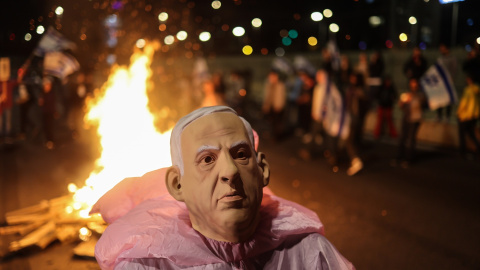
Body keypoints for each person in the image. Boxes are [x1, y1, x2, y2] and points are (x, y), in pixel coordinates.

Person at [94, 106, 355, 269]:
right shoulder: (147, 265)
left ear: (262, 170)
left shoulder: (310, 252)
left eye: (240, 154)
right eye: (207, 160)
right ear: (178, 185)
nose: (230, 172)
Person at [395, 78, 426, 167]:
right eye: (412, 83)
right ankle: (399, 157)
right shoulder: (407, 94)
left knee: (411, 139)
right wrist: (402, 103)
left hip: (415, 119)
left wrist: (414, 99)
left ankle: (409, 159)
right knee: (402, 137)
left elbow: (423, 104)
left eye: (414, 83)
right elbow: (402, 106)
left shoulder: (420, 95)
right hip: (406, 117)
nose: (413, 85)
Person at [456, 74, 480, 159]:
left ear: (469, 80)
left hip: (465, 115)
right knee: (471, 133)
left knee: (462, 134)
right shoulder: (477, 89)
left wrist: (458, 112)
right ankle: (478, 149)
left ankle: (462, 152)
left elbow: (464, 103)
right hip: (474, 115)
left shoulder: (468, 90)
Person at [262, 69, 286, 140]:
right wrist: (265, 106)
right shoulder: (268, 85)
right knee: (271, 122)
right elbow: (266, 96)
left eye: (272, 77)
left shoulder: (280, 85)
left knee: (277, 123)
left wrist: (280, 106)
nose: (271, 78)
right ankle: (272, 134)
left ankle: (277, 137)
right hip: (270, 106)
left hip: (277, 107)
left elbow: (282, 97)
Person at [436, 44, 457, 121]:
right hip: (440, 83)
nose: (441, 50)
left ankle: (447, 116)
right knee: (439, 100)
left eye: (443, 48)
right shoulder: (440, 58)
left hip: (448, 82)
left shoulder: (452, 58)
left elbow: (454, 70)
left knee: (448, 100)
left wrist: (451, 79)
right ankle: (439, 115)